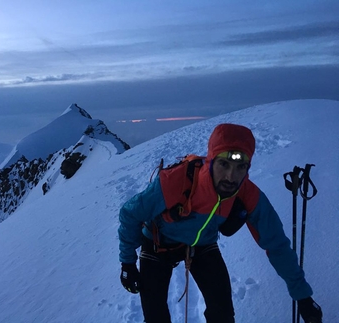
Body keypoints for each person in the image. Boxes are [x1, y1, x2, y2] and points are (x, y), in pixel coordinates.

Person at [118, 123, 322, 323]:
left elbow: (276, 243)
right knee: (155, 315)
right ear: (210, 161)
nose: (231, 177)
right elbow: (130, 213)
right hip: (158, 244)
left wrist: (302, 295)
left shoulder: (247, 194)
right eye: (224, 164)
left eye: (241, 167)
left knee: (222, 312)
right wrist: (127, 262)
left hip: (202, 244)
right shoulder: (174, 182)